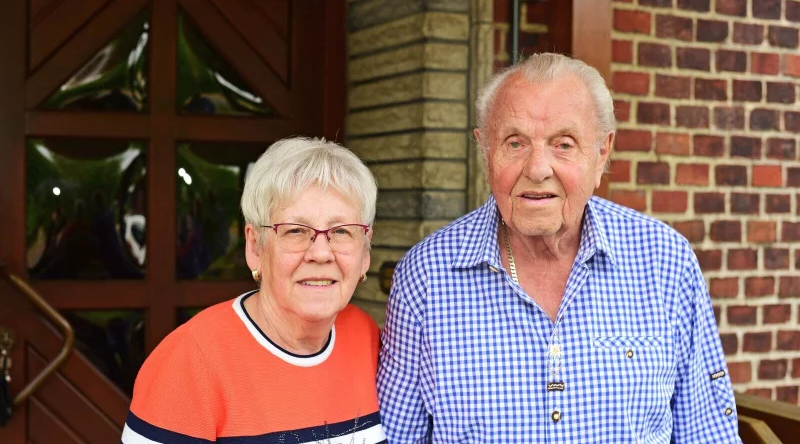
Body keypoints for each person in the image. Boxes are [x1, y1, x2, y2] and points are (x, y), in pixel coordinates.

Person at [378, 53, 740, 443]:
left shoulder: (665, 260)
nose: (537, 168)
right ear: (485, 150)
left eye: (564, 144)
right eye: (514, 143)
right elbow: (398, 437)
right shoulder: (426, 275)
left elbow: (708, 434)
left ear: (602, 152)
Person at [123, 137, 387, 443]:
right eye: (296, 231)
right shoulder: (189, 361)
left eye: (342, 231)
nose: (320, 253)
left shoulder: (364, 336)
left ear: (365, 253)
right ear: (254, 246)